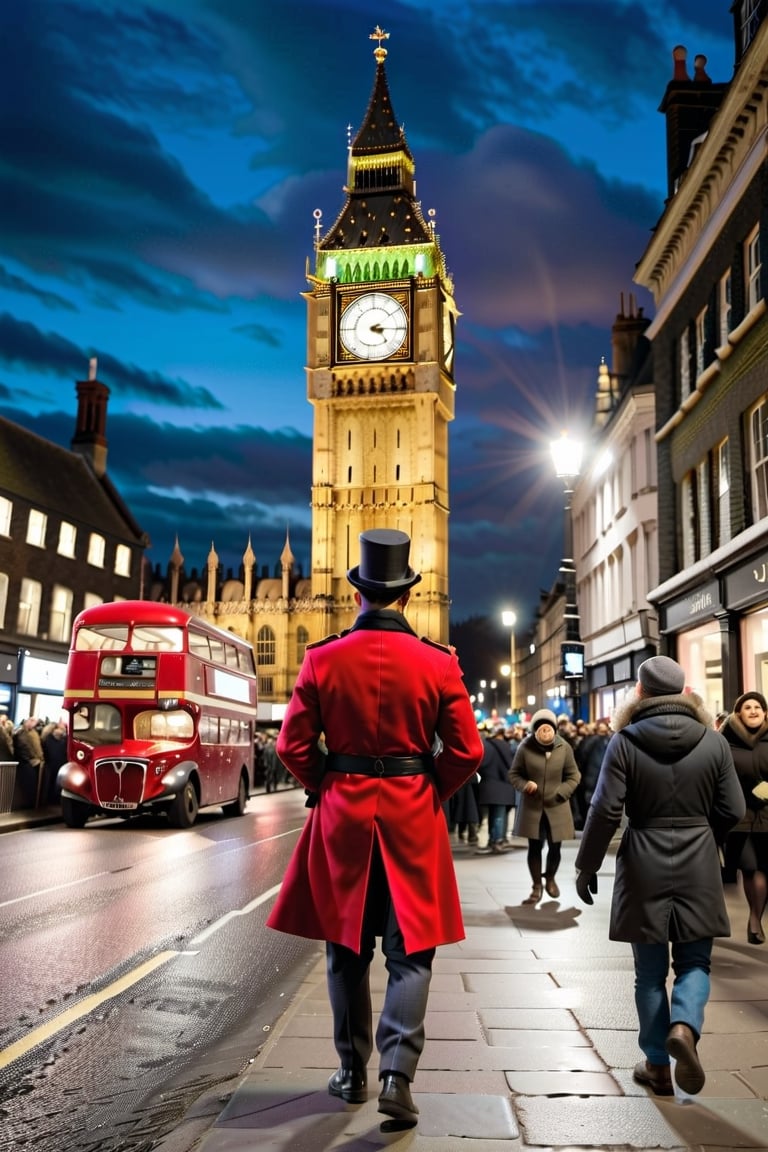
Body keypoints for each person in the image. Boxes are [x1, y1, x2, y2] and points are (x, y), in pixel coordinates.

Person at [266, 529, 483, 1130]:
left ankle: (350, 1072)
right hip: (413, 811)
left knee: (345, 950)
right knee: (412, 952)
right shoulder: (438, 663)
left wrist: (327, 783)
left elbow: (292, 745)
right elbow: (467, 751)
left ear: (357, 593)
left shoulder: (321, 657)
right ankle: (397, 1075)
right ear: (407, 597)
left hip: (344, 813)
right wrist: (427, 789)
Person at [574, 655, 744, 1098]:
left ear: (641, 693)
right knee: (695, 962)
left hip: (643, 861)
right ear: (685, 693)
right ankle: (685, 1027)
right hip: (698, 863)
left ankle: (656, 1065)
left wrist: (587, 864)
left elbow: (605, 809)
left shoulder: (625, 742)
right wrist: (706, 837)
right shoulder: (714, 742)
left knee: (648, 974)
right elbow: (734, 809)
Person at [509, 709, 580, 903]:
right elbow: (514, 774)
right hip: (533, 808)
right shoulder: (525, 747)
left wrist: (562, 791)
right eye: (541, 728)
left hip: (557, 806)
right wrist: (525, 785)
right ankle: (536, 887)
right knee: (535, 846)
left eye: (549, 728)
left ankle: (549, 878)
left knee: (555, 846)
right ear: (535, 730)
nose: (545, 731)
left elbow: (574, 776)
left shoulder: (564, 747)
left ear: (555, 729)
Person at [719, 691, 768, 943]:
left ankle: (756, 916)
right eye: (747, 707)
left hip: (767, 816)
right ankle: (754, 920)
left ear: (765, 712)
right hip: (739, 816)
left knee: (763, 868)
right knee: (750, 867)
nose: (753, 711)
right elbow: (719, 777)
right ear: (738, 713)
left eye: (758, 707)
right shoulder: (724, 742)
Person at [476, 721, 516, 853]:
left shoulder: (486, 746)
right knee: (500, 814)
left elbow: (481, 764)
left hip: (489, 784)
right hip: (506, 785)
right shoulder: (508, 746)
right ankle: (499, 839)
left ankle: (493, 840)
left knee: (491, 815)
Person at [573, 720, 611, 830]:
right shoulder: (609, 741)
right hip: (600, 778)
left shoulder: (588, 741)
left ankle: (589, 825)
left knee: (589, 804)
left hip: (589, 778)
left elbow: (581, 759)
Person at [12, 717, 44, 809]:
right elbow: (22, 747)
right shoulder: (21, 733)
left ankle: (31, 804)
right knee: (28, 786)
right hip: (26, 763)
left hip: (34, 762)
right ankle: (27, 805)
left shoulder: (33, 733)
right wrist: (30, 760)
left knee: (32, 786)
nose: (34, 724)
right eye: (32, 721)